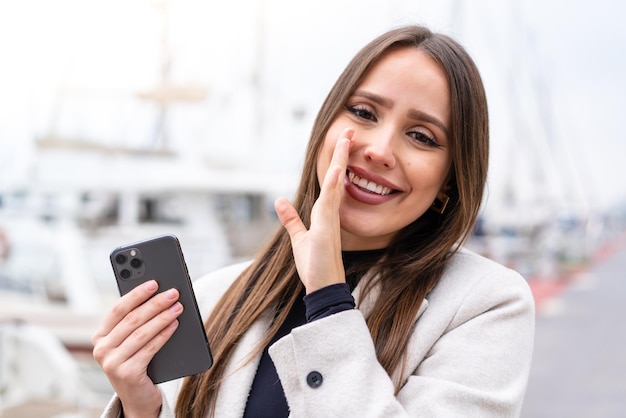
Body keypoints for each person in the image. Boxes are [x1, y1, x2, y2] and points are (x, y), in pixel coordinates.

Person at [92, 24, 535, 418]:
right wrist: (139, 408)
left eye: (421, 136)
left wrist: (328, 299)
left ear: (449, 182)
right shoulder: (215, 296)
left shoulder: (487, 304)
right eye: (364, 113)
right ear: (325, 126)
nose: (379, 150)